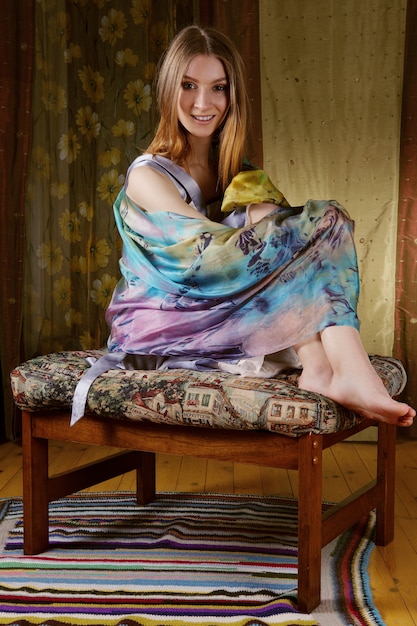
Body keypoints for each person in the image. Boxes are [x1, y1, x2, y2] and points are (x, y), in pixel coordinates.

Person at [103, 24, 414, 428]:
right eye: (188, 85)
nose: (203, 102)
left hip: (223, 303)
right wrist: (297, 233)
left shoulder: (234, 170)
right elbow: (211, 259)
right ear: (167, 90)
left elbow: (276, 237)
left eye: (218, 87)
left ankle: (322, 368)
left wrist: (286, 230)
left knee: (297, 229)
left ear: (233, 95)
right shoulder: (147, 176)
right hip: (166, 315)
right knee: (315, 225)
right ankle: (351, 371)